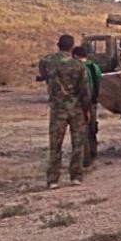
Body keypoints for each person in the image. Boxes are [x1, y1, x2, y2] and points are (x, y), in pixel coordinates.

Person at [38, 35, 91, 189]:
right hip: (76, 109)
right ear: (72, 47)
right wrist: (87, 109)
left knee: (55, 145)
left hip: (57, 109)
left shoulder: (47, 61)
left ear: (58, 45)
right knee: (78, 144)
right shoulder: (78, 65)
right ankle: (76, 176)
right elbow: (85, 90)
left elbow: (44, 75)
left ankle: (53, 180)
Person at [71, 46, 102, 168]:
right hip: (93, 102)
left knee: (82, 132)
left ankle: (86, 159)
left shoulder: (77, 68)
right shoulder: (95, 67)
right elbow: (99, 83)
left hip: (81, 103)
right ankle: (93, 153)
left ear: (75, 56)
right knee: (92, 129)